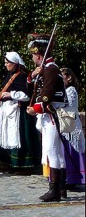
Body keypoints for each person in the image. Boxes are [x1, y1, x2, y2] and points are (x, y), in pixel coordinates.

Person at [26, 34, 68, 202]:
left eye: (33, 54)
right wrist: (32, 75)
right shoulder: (46, 69)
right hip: (48, 114)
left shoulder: (51, 69)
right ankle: (61, 188)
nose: (32, 58)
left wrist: (35, 109)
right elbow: (32, 87)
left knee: (52, 151)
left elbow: (46, 96)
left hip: (51, 114)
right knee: (55, 151)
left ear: (38, 54)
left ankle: (55, 190)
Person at [0, 51, 38, 170]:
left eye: (8, 63)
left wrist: (11, 95)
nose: (6, 65)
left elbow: (26, 95)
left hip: (18, 113)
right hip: (8, 111)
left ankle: (22, 165)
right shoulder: (10, 75)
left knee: (19, 138)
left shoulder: (22, 76)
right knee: (8, 136)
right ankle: (10, 164)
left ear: (14, 63)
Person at [61, 67, 86, 189]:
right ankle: (66, 178)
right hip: (66, 124)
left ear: (69, 78)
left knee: (72, 150)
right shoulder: (64, 90)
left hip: (71, 124)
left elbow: (68, 106)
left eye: (62, 78)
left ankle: (73, 179)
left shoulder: (71, 91)